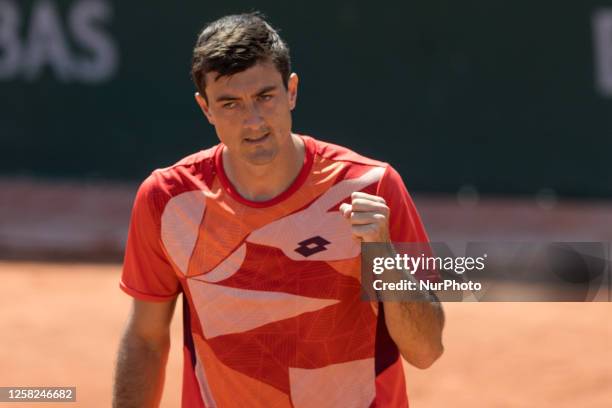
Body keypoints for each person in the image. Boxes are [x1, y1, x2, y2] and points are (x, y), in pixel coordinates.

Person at [112, 12, 444, 408]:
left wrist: (384, 256)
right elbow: (146, 339)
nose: (253, 121)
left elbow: (426, 351)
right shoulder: (168, 200)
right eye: (231, 103)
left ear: (292, 91)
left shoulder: (374, 187)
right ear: (206, 109)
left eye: (265, 97)